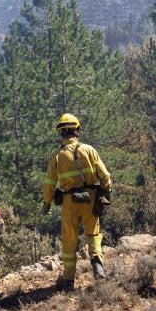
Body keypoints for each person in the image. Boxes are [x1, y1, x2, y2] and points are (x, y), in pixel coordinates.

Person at [42, 114, 112, 291]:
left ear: (61, 133)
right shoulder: (89, 150)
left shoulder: (57, 156)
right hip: (90, 198)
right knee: (93, 234)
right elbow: (105, 176)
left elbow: (49, 184)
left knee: (69, 240)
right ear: (77, 130)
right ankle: (97, 264)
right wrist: (105, 191)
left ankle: (68, 280)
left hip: (69, 201)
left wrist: (47, 203)